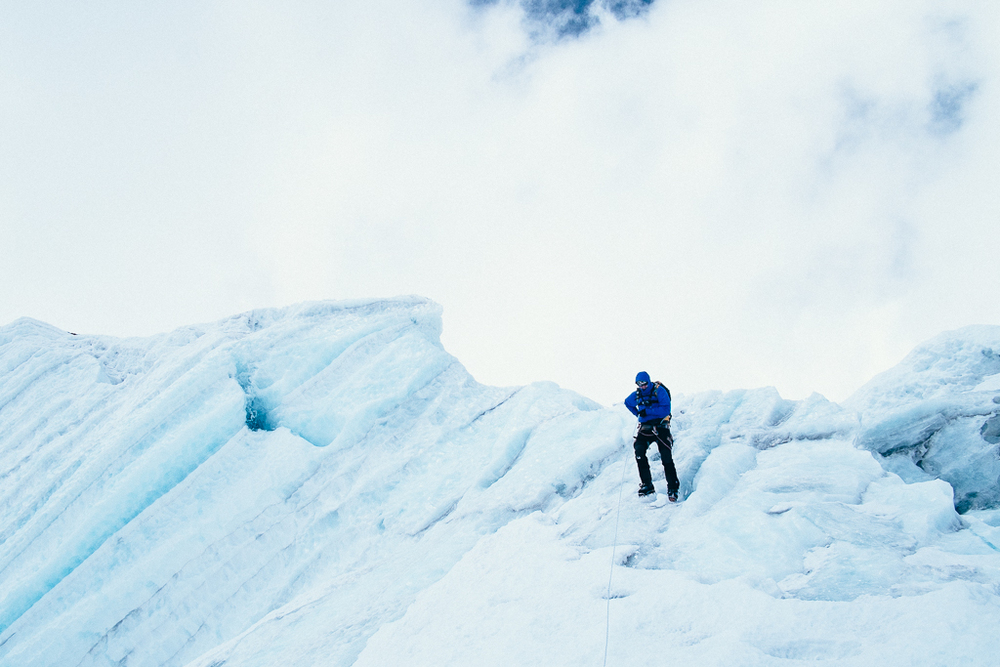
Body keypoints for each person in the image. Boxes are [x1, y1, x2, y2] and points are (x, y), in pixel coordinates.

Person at [624, 371, 679, 501]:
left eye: (644, 383)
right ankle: (647, 485)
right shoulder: (637, 394)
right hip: (645, 428)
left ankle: (673, 487)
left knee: (666, 457)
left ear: (648, 382)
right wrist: (638, 413)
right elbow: (627, 402)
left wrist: (646, 411)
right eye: (639, 384)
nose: (642, 386)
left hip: (661, 426)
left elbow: (666, 409)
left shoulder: (659, 391)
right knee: (639, 451)